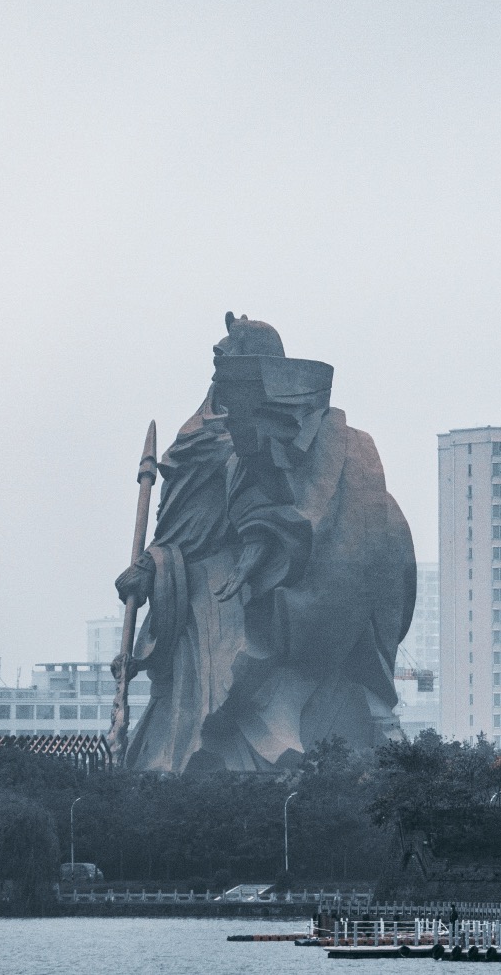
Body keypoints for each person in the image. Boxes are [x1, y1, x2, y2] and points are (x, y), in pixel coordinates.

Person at [115, 313, 415, 771]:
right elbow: (181, 537)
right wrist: (153, 567)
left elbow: (305, 509)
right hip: (207, 599)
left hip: (252, 596)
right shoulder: (196, 441)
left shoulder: (303, 443)